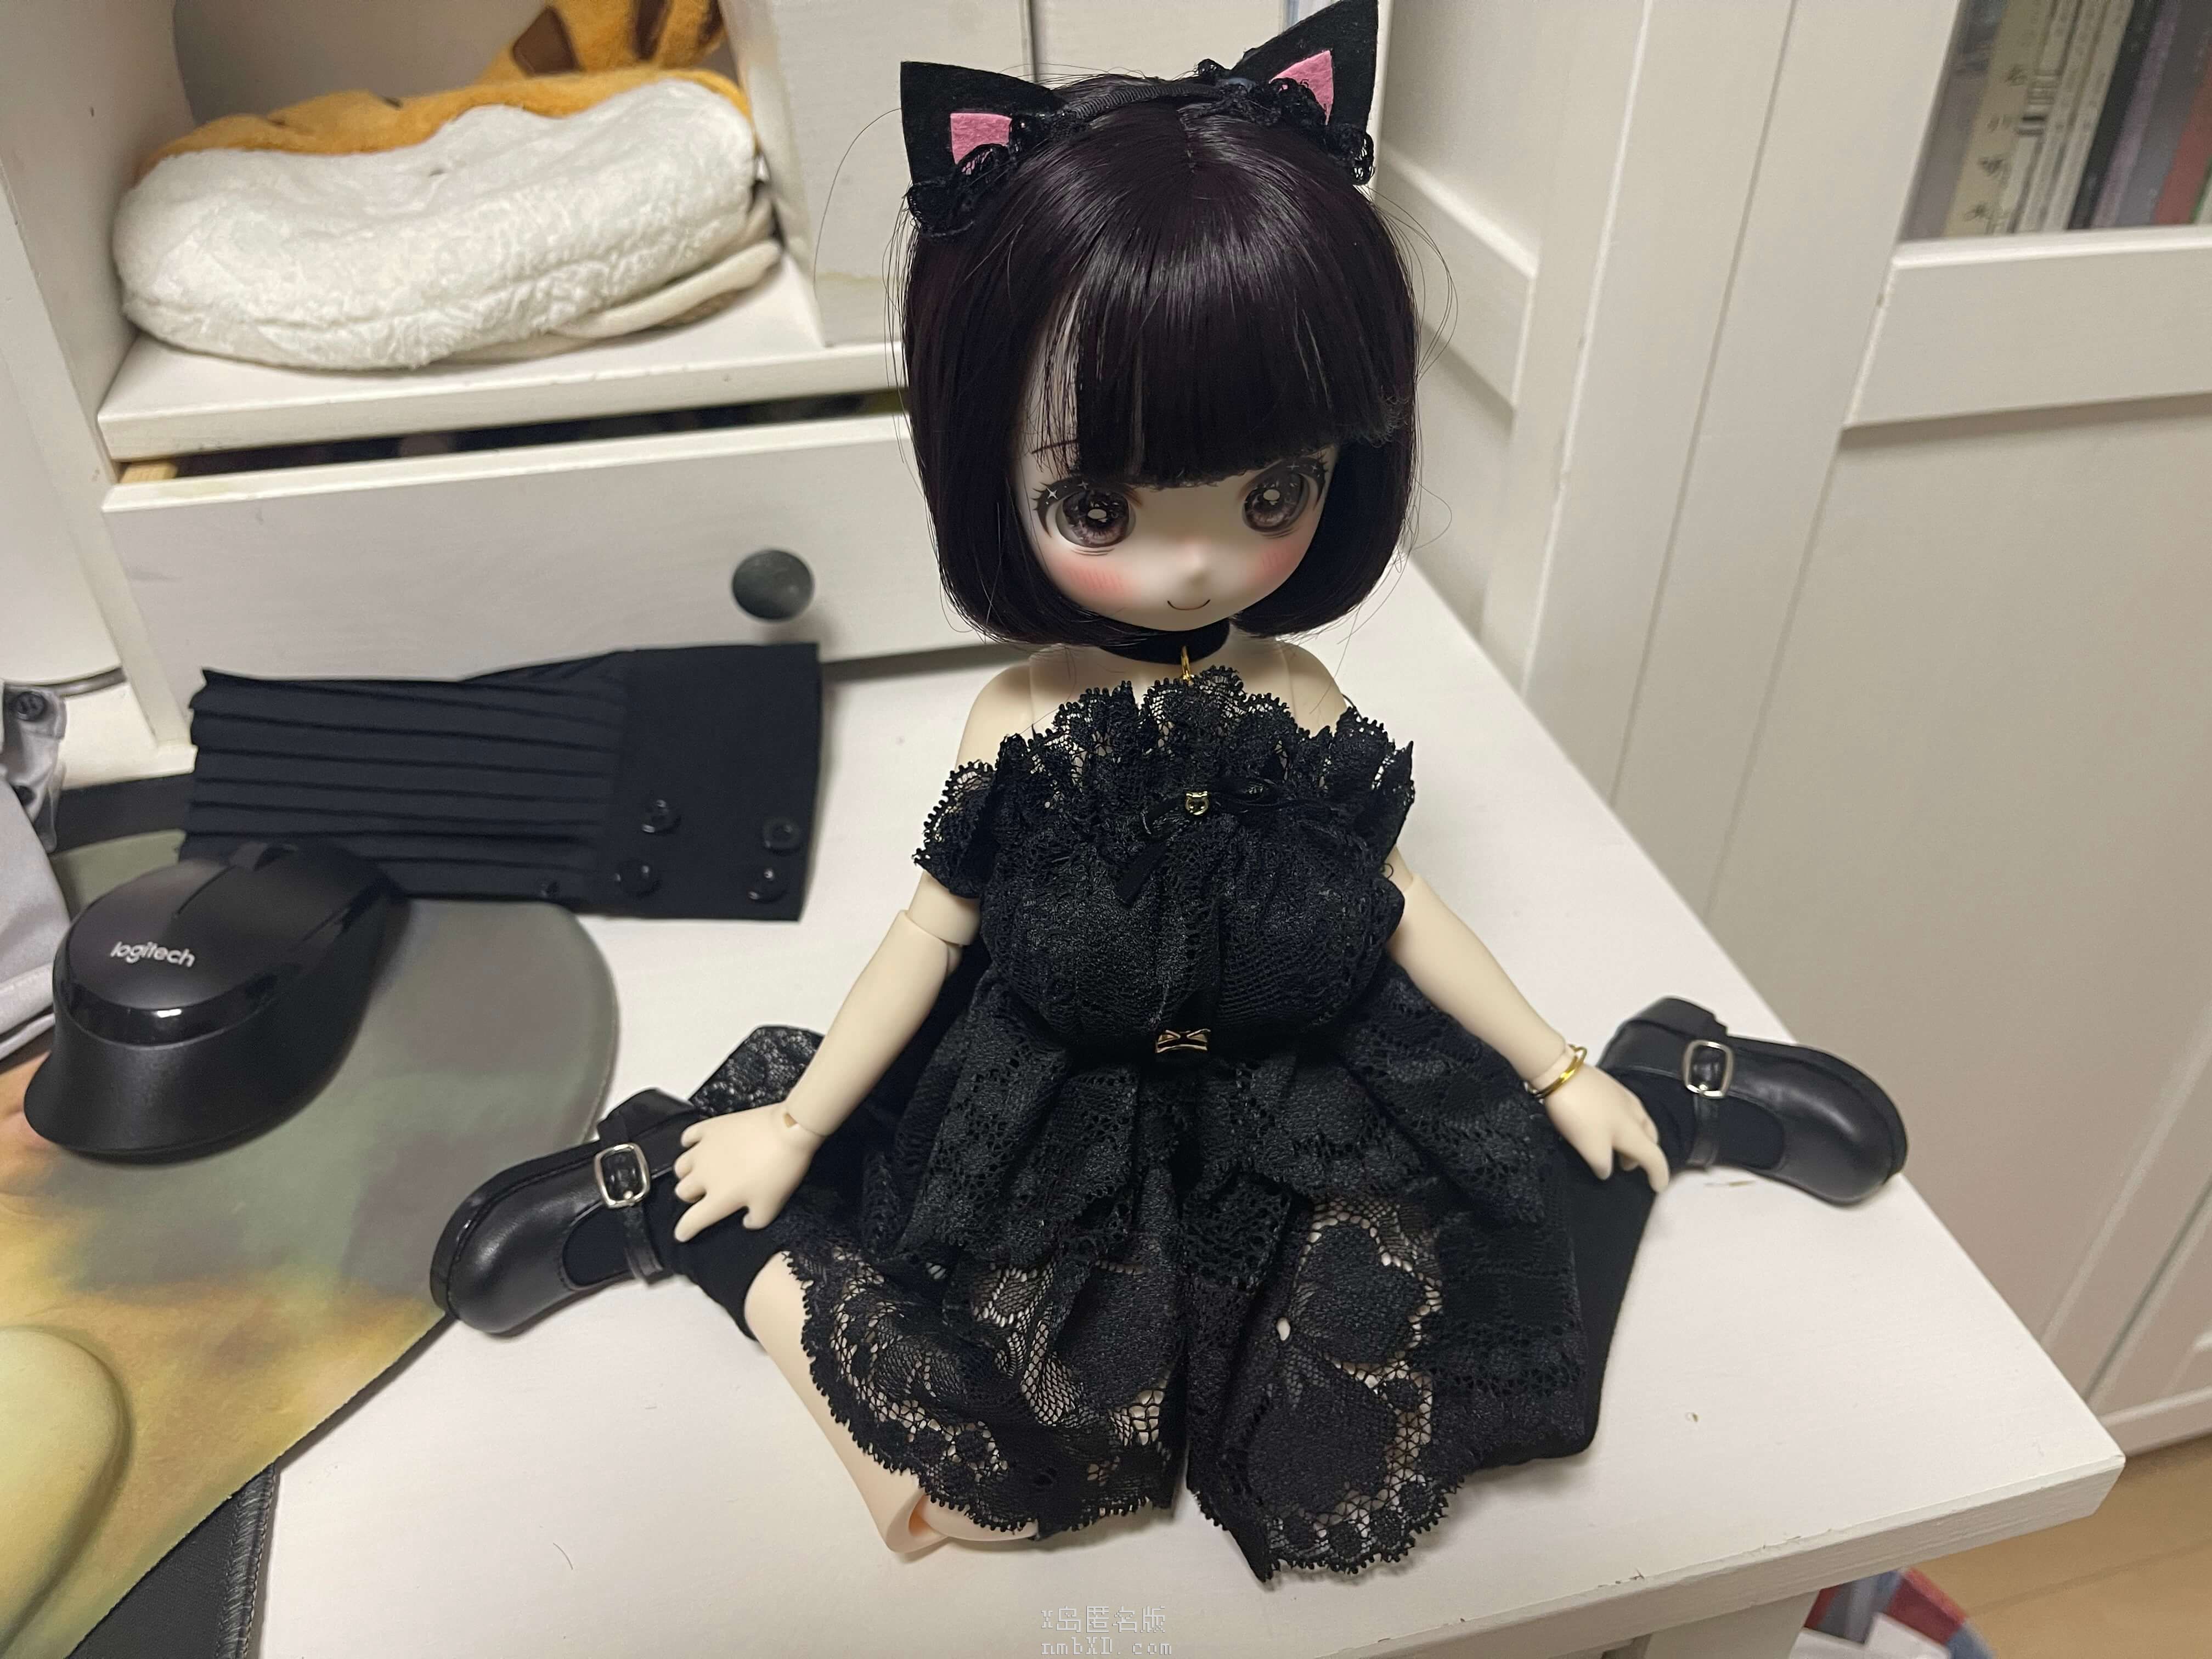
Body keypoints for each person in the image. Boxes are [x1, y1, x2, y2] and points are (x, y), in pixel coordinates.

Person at [435, 0, 1905, 1582]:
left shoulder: (1300, 698)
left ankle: (1660, 1085)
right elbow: (933, 932)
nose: (1195, 563)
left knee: (1418, 1392)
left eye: (1275, 492)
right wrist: (794, 1127)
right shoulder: (1022, 721)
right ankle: (670, 1196)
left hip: (1304, 1102)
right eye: (1099, 504)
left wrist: (1557, 1071)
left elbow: (1394, 902)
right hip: (1061, 1132)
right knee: (1006, 1468)